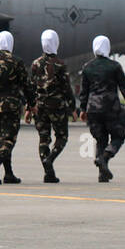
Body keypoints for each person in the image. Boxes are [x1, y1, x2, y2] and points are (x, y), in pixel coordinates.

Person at [79, 35, 125, 182]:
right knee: (119, 135)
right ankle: (104, 158)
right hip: (111, 108)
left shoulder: (87, 67)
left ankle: (102, 172)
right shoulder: (115, 66)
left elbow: (84, 91)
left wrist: (82, 109)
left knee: (101, 139)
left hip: (93, 109)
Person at [0, 30, 31, 185]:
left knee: (1, 142)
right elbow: (26, 86)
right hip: (11, 107)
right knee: (8, 141)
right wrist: (32, 104)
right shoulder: (17, 62)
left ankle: (8, 174)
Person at [29, 28, 76, 184]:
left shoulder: (35, 63)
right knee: (62, 137)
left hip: (39, 107)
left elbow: (31, 87)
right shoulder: (60, 65)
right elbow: (67, 88)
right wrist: (73, 107)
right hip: (57, 107)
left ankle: (48, 171)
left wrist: (29, 107)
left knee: (44, 138)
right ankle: (50, 160)